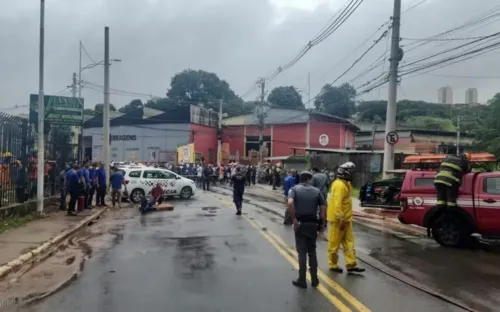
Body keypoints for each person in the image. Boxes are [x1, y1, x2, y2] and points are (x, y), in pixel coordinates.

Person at [287, 171, 326, 289]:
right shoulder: (317, 191)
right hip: (312, 224)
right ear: (309, 179)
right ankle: (314, 279)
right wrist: (322, 225)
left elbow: (290, 202)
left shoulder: (294, 189)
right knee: (312, 252)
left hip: (300, 224)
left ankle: (302, 280)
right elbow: (323, 208)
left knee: (302, 252)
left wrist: (294, 219)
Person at [327, 162, 365, 274]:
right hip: (339, 220)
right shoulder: (339, 185)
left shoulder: (346, 184)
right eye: (351, 172)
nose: (352, 174)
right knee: (334, 243)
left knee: (349, 242)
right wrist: (341, 219)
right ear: (345, 173)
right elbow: (337, 204)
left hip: (346, 219)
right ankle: (333, 264)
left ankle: (351, 264)